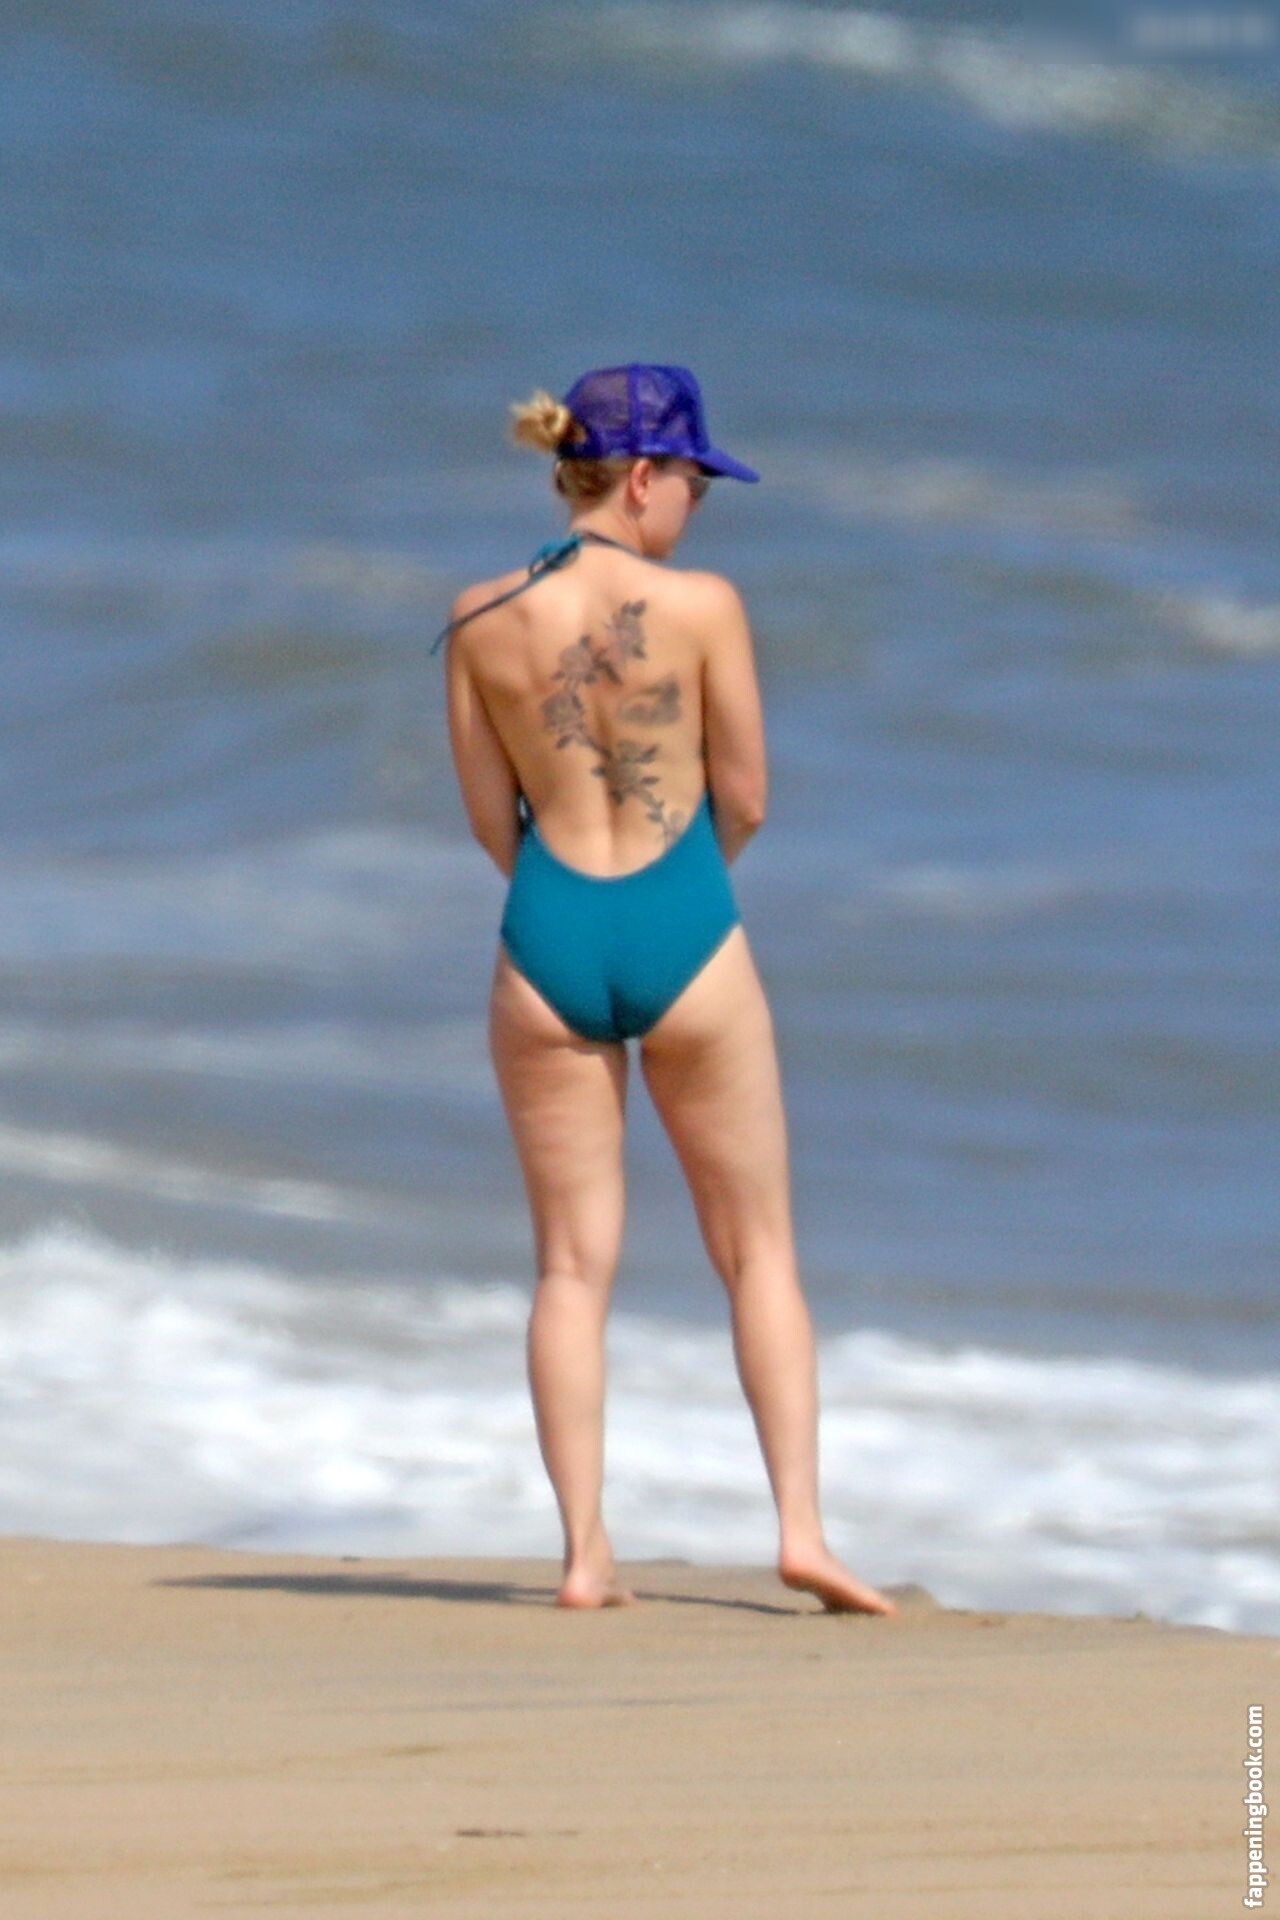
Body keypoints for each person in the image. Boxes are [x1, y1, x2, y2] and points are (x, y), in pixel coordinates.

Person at [436, 363, 897, 1617]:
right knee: (757, 1251)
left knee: (569, 1268)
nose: (698, 505)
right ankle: (799, 1532)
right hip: (683, 922)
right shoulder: (702, 608)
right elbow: (744, 795)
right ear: (641, 478)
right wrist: (680, 899)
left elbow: (487, 819)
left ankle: (584, 1555)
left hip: (546, 934)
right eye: (694, 481)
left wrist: (569, 908)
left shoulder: (477, 619)